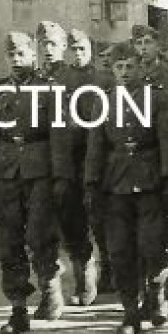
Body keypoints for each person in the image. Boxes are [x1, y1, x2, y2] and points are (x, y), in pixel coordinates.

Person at [84, 42, 168, 334]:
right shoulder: (105, 101)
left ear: (140, 67)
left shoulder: (157, 98)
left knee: (152, 245)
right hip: (115, 183)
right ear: (112, 70)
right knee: (120, 249)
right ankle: (130, 311)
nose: (124, 72)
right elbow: (96, 145)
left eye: (130, 67)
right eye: (119, 67)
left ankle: (157, 291)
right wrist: (92, 183)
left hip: (150, 180)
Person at [0, 32, 62, 334]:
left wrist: (60, 178)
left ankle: (50, 286)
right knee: (9, 241)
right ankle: (18, 309)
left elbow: (59, 136)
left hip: (40, 168)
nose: (16, 60)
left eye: (21, 54)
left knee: (40, 234)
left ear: (33, 55)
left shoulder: (48, 89)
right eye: (10, 55)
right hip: (6, 172)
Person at [131, 24, 168, 313]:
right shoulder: (129, 77)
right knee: (144, 234)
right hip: (136, 167)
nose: (143, 47)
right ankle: (148, 293)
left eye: (148, 42)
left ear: (158, 46)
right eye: (138, 42)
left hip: (167, 160)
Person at [58, 27, 103, 304]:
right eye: (73, 49)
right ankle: (84, 280)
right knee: (72, 220)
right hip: (69, 160)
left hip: (97, 158)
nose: (77, 54)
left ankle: (109, 269)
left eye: (82, 49)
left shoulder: (104, 80)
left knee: (102, 217)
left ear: (91, 51)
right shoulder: (59, 80)